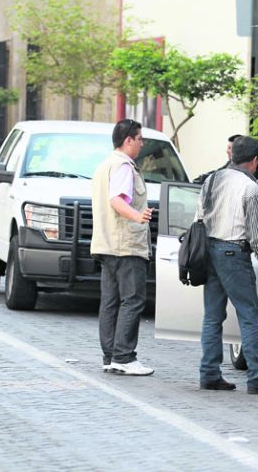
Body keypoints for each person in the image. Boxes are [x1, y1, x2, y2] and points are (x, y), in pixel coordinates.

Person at [195, 136, 258, 394]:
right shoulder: (250, 188)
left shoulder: (211, 180)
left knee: (212, 317)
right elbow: (257, 234)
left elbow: (199, 217)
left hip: (209, 250)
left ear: (232, 155)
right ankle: (257, 378)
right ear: (255, 161)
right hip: (234, 254)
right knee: (249, 316)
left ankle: (209, 373)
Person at [90, 119, 155, 376]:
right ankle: (124, 356)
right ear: (128, 140)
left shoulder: (105, 164)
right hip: (125, 245)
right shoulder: (123, 166)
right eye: (140, 139)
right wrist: (137, 216)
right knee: (132, 299)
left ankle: (111, 356)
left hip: (107, 243)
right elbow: (117, 199)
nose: (141, 144)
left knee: (111, 301)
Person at [193, 134, 258, 184]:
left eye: (230, 148)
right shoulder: (230, 164)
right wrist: (202, 178)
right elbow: (218, 172)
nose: (227, 151)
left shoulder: (255, 170)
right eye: (227, 147)